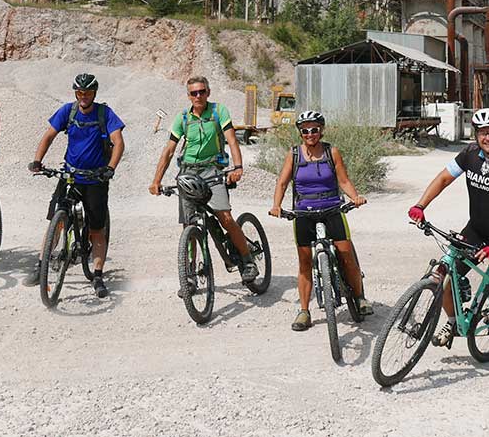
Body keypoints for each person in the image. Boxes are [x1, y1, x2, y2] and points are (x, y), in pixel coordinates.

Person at [408, 107, 489, 399]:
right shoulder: (470, 154)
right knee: (442, 274)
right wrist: (420, 205)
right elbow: (443, 178)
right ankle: (452, 323)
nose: (487, 137)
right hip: (476, 229)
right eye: (481, 132)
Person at [149, 75, 258, 285]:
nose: (198, 96)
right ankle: (189, 275)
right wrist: (156, 181)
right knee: (189, 224)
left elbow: (232, 140)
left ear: (208, 92)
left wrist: (237, 167)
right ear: (188, 96)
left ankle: (247, 261)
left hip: (212, 170)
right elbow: (169, 150)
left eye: (202, 92)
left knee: (225, 217)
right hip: (188, 172)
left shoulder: (219, 111)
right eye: (193, 93)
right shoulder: (182, 118)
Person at [269, 110, 372, 332]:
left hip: (332, 207)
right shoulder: (294, 154)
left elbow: (343, 180)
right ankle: (304, 311)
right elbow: (282, 183)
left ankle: (360, 297)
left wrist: (355, 198)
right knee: (305, 263)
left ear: (321, 130)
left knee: (346, 256)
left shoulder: (331, 151)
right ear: (300, 133)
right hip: (303, 212)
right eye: (305, 130)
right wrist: (276, 205)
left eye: (314, 129)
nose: (310, 134)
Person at [25, 73, 125, 298]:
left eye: (87, 93)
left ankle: (98, 276)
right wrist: (38, 161)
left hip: (95, 179)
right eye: (80, 92)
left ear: (94, 93)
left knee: (96, 230)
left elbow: (118, 142)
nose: (83, 96)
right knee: (55, 220)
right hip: (69, 175)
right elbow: (49, 135)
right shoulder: (67, 111)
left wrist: (110, 168)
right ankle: (41, 266)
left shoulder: (104, 113)